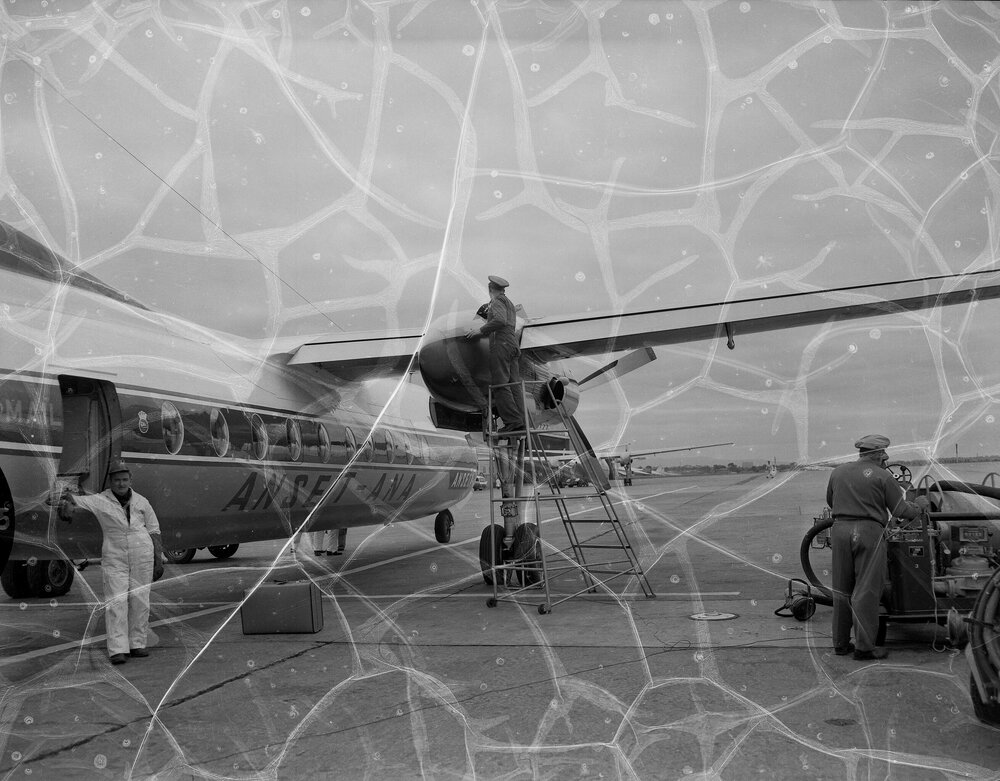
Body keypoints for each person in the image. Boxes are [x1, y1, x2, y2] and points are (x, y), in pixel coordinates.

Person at [825, 435, 928, 661]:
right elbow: (900, 511)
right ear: (879, 454)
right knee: (867, 589)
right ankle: (864, 648)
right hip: (869, 532)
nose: (886, 458)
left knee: (841, 589)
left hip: (840, 530)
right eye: (884, 454)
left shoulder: (838, 472)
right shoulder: (883, 477)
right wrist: (919, 507)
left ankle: (841, 644)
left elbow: (831, 502)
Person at [59, 460, 163, 665]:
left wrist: (158, 560)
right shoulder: (100, 501)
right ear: (111, 481)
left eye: (124, 480)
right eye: (117, 480)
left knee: (140, 601)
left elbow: (154, 530)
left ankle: (138, 644)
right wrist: (65, 501)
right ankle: (117, 650)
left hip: (143, 556)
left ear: (130, 480)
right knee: (116, 601)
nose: (121, 484)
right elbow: (77, 500)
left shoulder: (143, 502)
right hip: (115, 558)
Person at [464, 275, 525, 435]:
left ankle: (513, 422)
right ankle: (521, 422)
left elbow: (500, 321)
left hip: (501, 345)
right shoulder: (510, 303)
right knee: (514, 385)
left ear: (490, 289)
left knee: (500, 385)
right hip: (512, 345)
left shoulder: (497, 302)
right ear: (503, 289)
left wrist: (480, 330)